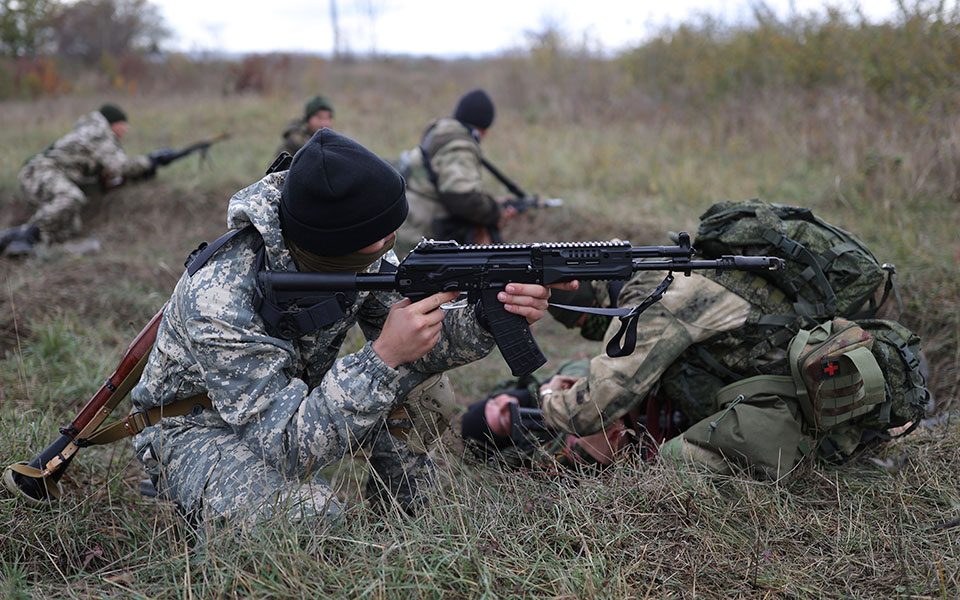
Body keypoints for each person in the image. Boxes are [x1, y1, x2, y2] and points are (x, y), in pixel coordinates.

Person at [129, 128, 564, 525]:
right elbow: (285, 442)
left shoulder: (354, 247)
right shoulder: (220, 297)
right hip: (197, 427)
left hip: (285, 408)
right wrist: (382, 358)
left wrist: (488, 316)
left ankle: (407, 520)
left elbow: (422, 340)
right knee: (309, 518)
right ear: (332, 245)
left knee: (424, 389)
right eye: (379, 239)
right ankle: (193, 495)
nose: (389, 244)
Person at [0, 103, 157, 257]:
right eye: (123, 124)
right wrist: (151, 160)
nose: (126, 128)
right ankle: (24, 237)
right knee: (71, 197)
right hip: (40, 171)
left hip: (44, 174)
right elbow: (120, 166)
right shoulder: (99, 133)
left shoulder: (91, 131)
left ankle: (18, 241)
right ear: (113, 124)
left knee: (70, 226)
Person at [395, 89, 517, 250]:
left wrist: (491, 201)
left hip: (409, 226)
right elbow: (463, 197)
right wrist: (496, 213)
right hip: (420, 239)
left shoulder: (440, 133)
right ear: (484, 131)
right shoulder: (458, 145)